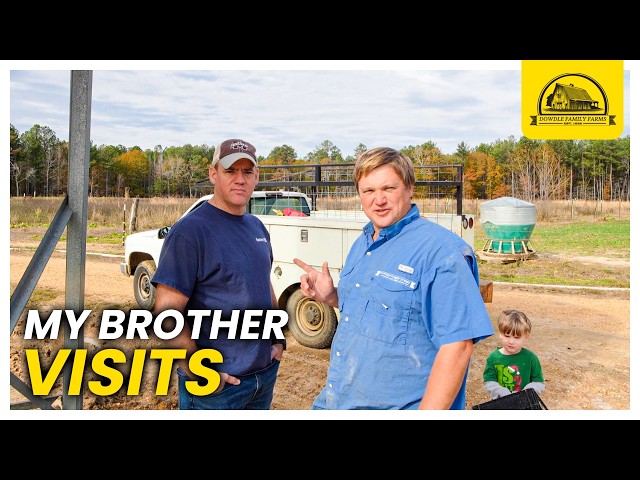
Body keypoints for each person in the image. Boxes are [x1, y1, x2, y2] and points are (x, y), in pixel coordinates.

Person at [293, 146, 494, 410]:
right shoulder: (364, 241)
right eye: (369, 191)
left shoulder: (442, 254)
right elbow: (381, 312)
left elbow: (457, 347)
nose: (379, 200)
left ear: (410, 188)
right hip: (337, 400)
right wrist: (331, 297)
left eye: (389, 188)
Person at [151, 138, 285, 410]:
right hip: (216, 390)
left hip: (262, 378)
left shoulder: (257, 227)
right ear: (214, 174)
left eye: (248, 172)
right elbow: (166, 316)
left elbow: (263, 284)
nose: (240, 179)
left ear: (256, 177)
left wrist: (278, 338)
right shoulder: (189, 233)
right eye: (230, 171)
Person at [483, 309, 545, 399]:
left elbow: (539, 382)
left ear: (526, 337)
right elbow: (489, 381)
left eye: (517, 337)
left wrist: (527, 392)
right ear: (500, 334)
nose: (511, 341)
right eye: (507, 336)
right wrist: (501, 392)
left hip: (525, 404)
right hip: (501, 404)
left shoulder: (531, 358)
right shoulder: (493, 358)